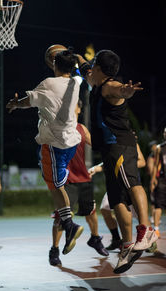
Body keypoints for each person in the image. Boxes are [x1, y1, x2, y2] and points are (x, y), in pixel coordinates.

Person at [77, 49, 158, 274]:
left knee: (132, 184)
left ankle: (146, 229)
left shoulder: (110, 86)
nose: (89, 66)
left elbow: (121, 90)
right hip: (108, 150)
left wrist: (127, 90)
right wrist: (73, 56)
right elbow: (83, 66)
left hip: (120, 145)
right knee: (117, 201)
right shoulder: (94, 80)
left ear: (101, 69)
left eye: (93, 63)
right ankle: (126, 244)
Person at [6, 49, 84, 255]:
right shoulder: (77, 81)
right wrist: (74, 59)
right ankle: (68, 225)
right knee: (57, 185)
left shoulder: (48, 83)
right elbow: (82, 71)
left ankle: (70, 225)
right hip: (71, 143)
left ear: (55, 64)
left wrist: (15, 104)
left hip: (54, 144)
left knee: (54, 186)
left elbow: (28, 101)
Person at [49, 100, 109, 266]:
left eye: (73, 104)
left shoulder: (82, 128)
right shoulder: (57, 127)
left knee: (90, 212)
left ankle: (95, 239)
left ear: (79, 108)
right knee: (61, 216)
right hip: (65, 179)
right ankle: (54, 250)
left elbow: (98, 145)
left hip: (83, 176)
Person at [89, 141, 146, 251]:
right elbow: (110, 161)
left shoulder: (131, 142)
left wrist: (125, 165)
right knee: (104, 208)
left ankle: (149, 241)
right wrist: (97, 168)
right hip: (115, 183)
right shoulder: (110, 142)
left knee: (139, 214)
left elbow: (142, 162)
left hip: (130, 183)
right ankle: (116, 239)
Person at [150, 127, 166, 238]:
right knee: (158, 204)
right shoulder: (160, 148)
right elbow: (156, 165)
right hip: (162, 179)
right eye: (165, 132)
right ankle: (156, 229)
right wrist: (153, 179)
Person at [146, 140, 157, 224]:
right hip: (155, 180)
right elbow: (150, 170)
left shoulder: (159, 155)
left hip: (161, 179)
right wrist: (153, 180)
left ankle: (155, 216)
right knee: (154, 200)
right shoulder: (151, 157)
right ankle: (153, 217)